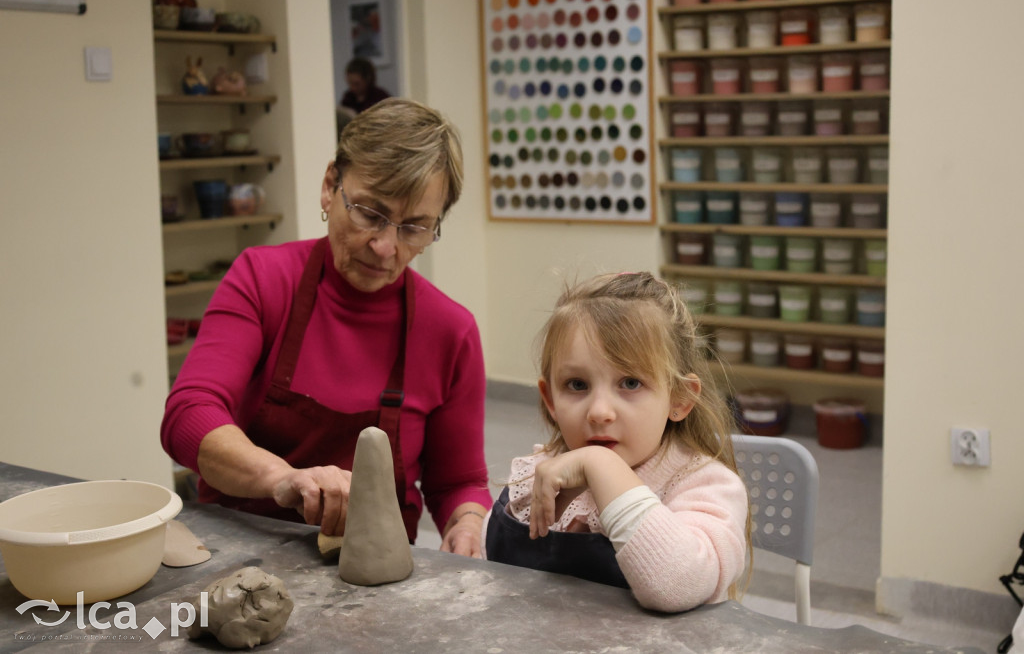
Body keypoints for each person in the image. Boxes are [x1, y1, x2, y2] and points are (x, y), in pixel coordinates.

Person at [161, 98, 491, 557]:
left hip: (374, 576)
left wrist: (467, 524)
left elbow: (458, 482)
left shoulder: (450, 330)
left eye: (414, 228)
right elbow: (189, 415)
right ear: (329, 186)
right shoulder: (263, 279)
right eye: (370, 213)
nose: (384, 246)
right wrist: (283, 479)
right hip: (238, 554)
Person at [481, 272, 750, 612]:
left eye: (630, 383)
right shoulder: (541, 471)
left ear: (679, 398)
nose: (599, 412)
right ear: (550, 400)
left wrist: (601, 465)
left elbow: (677, 587)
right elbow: (490, 566)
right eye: (577, 385)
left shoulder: (705, 485)